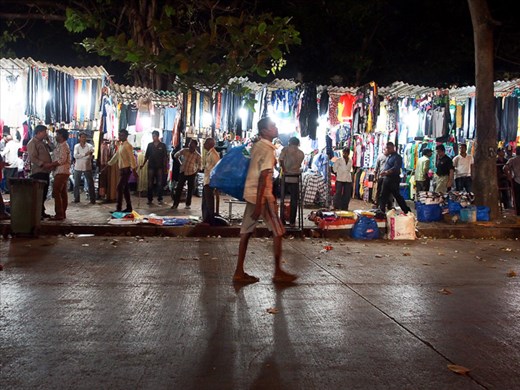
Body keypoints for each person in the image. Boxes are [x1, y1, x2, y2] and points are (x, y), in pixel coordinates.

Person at [233, 117, 297, 284]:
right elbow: (264, 176)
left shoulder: (257, 145)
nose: (276, 127)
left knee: (246, 232)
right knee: (278, 231)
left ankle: (239, 271)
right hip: (262, 196)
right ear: (264, 131)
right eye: (273, 126)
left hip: (251, 193)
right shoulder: (268, 149)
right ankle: (277, 271)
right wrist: (261, 202)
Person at [107, 129, 138, 213]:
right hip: (122, 170)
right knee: (125, 189)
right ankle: (129, 207)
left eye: (122, 135)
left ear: (126, 136)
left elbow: (132, 158)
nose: (120, 136)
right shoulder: (121, 145)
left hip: (126, 170)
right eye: (120, 135)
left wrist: (134, 170)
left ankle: (119, 208)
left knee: (119, 188)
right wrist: (109, 163)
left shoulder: (128, 145)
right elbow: (116, 156)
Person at [27, 124, 54, 219]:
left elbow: (52, 148)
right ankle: (37, 213)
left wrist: (48, 141)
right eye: (44, 132)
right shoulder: (32, 143)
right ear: (39, 132)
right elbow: (33, 157)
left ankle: (41, 211)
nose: (45, 134)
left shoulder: (42, 142)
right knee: (39, 194)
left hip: (45, 171)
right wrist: (42, 164)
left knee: (44, 193)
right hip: (38, 172)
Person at [378, 142, 411, 214]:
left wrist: (386, 172)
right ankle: (381, 211)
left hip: (393, 179)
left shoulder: (397, 157)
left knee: (397, 195)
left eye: (389, 148)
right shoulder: (389, 157)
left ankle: (406, 210)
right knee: (383, 195)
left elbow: (396, 168)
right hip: (387, 179)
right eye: (387, 148)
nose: (388, 150)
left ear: (393, 147)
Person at [279, 136, 305, 226]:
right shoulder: (301, 153)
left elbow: (281, 160)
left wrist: (284, 169)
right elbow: (300, 165)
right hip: (295, 177)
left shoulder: (285, 149)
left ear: (290, 142)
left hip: (286, 176)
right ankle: (292, 221)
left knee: (282, 199)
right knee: (294, 200)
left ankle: (282, 220)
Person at [171, 139, 201, 210]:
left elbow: (200, 166)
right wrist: (180, 163)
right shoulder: (185, 150)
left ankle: (188, 204)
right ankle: (175, 204)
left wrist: (195, 172)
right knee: (179, 188)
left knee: (190, 189)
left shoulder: (197, 155)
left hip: (191, 173)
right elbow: (176, 155)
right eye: (190, 144)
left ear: (195, 146)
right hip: (183, 172)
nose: (190, 146)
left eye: (192, 145)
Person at [140, 130, 168, 205]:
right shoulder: (150, 145)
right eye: (152, 136)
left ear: (158, 136)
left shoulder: (163, 145)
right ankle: (150, 199)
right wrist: (143, 164)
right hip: (151, 166)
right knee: (150, 183)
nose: (153, 137)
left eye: (154, 136)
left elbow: (165, 157)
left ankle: (160, 198)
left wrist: (165, 167)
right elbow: (146, 156)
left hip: (160, 167)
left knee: (159, 183)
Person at [50, 128, 71, 221]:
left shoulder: (63, 146)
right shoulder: (60, 145)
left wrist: (51, 164)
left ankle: (59, 213)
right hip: (61, 171)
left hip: (61, 171)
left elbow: (62, 160)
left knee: (56, 192)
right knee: (62, 193)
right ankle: (62, 213)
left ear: (61, 136)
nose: (56, 136)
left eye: (57, 134)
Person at [201, 137, 220, 225]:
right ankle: (206, 218)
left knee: (209, 202)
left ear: (210, 144)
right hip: (206, 180)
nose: (204, 144)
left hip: (209, 181)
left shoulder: (214, 155)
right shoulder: (209, 153)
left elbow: (216, 169)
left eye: (206, 143)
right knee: (205, 201)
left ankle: (210, 219)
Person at [73, 132, 96, 204]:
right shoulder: (76, 146)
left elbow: (89, 156)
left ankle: (92, 199)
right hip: (78, 167)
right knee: (76, 184)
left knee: (90, 183)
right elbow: (75, 156)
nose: (83, 138)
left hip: (87, 167)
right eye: (82, 137)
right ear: (79, 138)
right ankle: (76, 199)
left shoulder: (90, 146)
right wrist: (85, 154)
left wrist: (81, 155)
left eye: (85, 137)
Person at [504, 146, 520, 216]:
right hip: (516, 179)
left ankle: (518, 212)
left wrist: (509, 177)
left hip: (516, 180)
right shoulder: (512, 160)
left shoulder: (512, 160)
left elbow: (505, 168)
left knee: (517, 197)